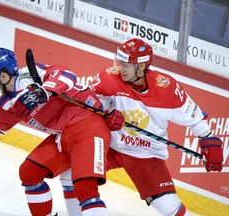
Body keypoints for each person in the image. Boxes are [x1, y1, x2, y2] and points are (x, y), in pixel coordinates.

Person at [0, 47, 124, 216]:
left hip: (87, 124)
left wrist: (44, 91)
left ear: (3, 75)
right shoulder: (8, 100)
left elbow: (67, 75)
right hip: (64, 135)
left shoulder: (31, 74)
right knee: (29, 172)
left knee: (84, 187)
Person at [89, 38, 224, 215]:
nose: (120, 69)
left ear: (141, 67)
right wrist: (105, 113)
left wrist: (208, 138)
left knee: (169, 207)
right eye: (119, 63)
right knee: (73, 174)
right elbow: (90, 102)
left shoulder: (166, 88)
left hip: (147, 154)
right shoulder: (109, 78)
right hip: (110, 146)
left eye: (126, 65)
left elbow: (195, 118)